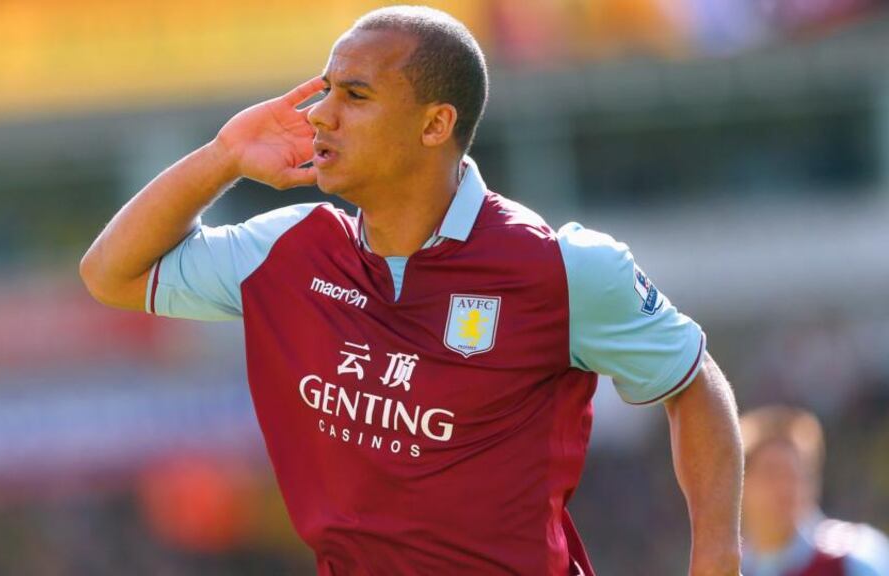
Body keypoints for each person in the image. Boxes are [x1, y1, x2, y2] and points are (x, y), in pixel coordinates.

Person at [80, 6, 743, 575]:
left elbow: (693, 382)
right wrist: (224, 155)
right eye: (326, 90)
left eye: (356, 96)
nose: (320, 116)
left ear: (434, 125)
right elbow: (111, 272)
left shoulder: (561, 268)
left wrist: (716, 563)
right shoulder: (287, 250)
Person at [741, 406, 889, 576]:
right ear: (742, 483)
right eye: (771, 473)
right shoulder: (725, 565)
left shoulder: (856, 559)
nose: (785, 487)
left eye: (796, 474)